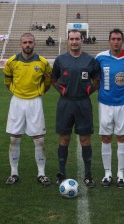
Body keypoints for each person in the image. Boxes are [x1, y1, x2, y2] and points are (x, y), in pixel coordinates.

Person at [51, 29, 100, 188]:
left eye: (77, 39)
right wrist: (62, 90)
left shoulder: (90, 61)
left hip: (83, 103)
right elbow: (53, 80)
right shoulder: (60, 60)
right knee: (64, 138)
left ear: (82, 40)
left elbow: (96, 81)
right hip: (65, 103)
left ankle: (87, 174)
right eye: (71, 39)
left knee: (85, 139)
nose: (74, 42)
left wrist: (88, 92)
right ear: (67, 40)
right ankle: (62, 173)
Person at [3, 33, 52, 186]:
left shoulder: (43, 62)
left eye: (30, 42)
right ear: (20, 44)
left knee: (39, 140)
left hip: (35, 102)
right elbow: (7, 81)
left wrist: (39, 92)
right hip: (17, 102)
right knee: (14, 138)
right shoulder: (12, 62)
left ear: (34, 44)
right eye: (25, 42)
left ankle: (41, 174)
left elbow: (48, 81)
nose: (27, 45)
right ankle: (14, 173)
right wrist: (16, 92)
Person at [95, 28, 124, 188]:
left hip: (123, 104)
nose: (116, 41)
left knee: (122, 137)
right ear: (109, 41)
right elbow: (95, 77)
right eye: (113, 39)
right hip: (104, 104)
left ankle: (120, 174)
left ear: (122, 41)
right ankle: (107, 173)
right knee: (106, 137)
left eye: (119, 39)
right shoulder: (100, 57)